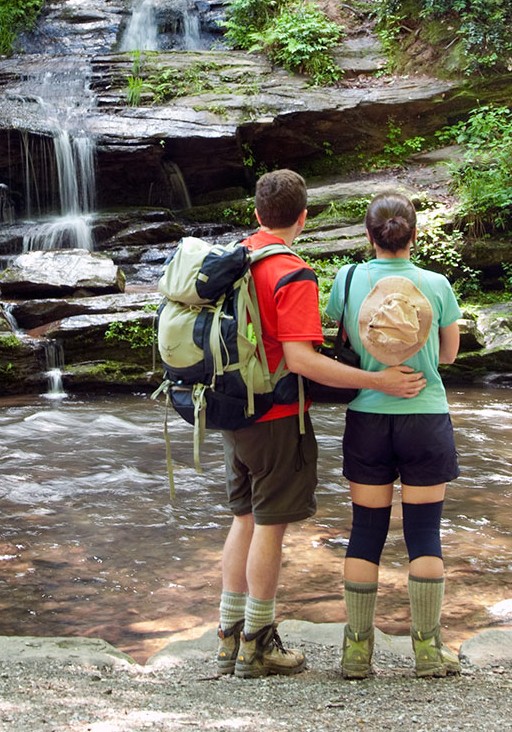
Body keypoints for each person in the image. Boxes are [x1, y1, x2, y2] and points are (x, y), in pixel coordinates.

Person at [218, 170, 426, 680]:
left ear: (257, 214)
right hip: (275, 417)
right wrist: (376, 381)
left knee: (243, 518)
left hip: (231, 408)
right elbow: (302, 361)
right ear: (304, 218)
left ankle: (228, 638)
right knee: (270, 525)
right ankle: (257, 645)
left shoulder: (235, 257)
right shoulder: (291, 272)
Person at [324, 191, 461, 680]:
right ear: (414, 235)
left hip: (368, 418)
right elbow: (448, 356)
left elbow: (344, 339)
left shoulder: (348, 279)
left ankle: (357, 652)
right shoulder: (437, 284)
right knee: (424, 533)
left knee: (366, 531)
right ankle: (427, 651)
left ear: (369, 236)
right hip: (425, 417)